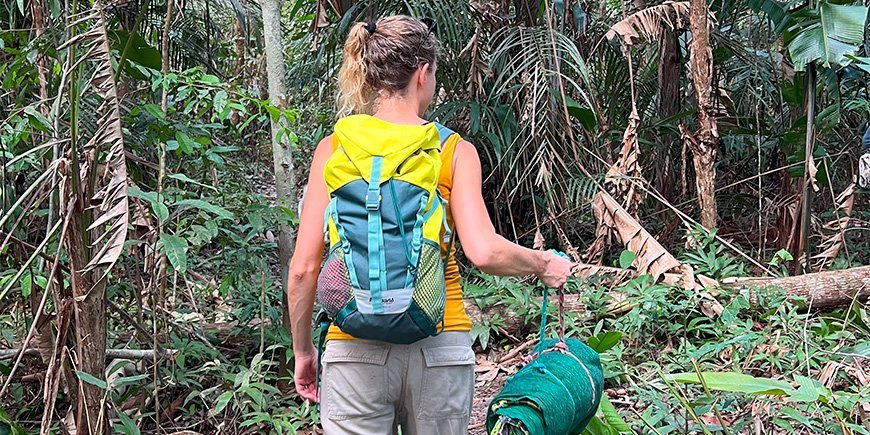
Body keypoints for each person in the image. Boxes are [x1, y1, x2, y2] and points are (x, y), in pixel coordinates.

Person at [286, 15, 574, 435]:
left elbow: (303, 269)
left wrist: (303, 350)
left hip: (353, 349)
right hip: (439, 347)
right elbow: (484, 251)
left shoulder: (333, 149)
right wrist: (543, 264)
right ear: (423, 73)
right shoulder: (452, 150)